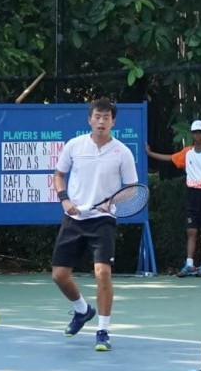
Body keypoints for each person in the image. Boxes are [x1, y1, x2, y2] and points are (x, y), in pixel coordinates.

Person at [52, 98, 139, 351]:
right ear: (90, 119)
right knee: (59, 276)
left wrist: (110, 202)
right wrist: (64, 199)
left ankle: (103, 330)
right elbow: (59, 175)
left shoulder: (122, 152)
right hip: (74, 218)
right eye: (97, 117)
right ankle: (82, 310)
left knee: (102, 272)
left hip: (103, 220)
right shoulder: (74, 146)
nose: (101, 122)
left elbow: (132, 190)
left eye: (106, 118)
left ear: (113, 122)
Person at [145, 119, 201, 277]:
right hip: (192, 194)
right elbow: (170, 158)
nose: (198, 136)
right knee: (191, 231)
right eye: (195, 133)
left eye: (200, 133)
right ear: (192, 134)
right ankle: (189, 264)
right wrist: (150, 153)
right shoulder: (187, 152)